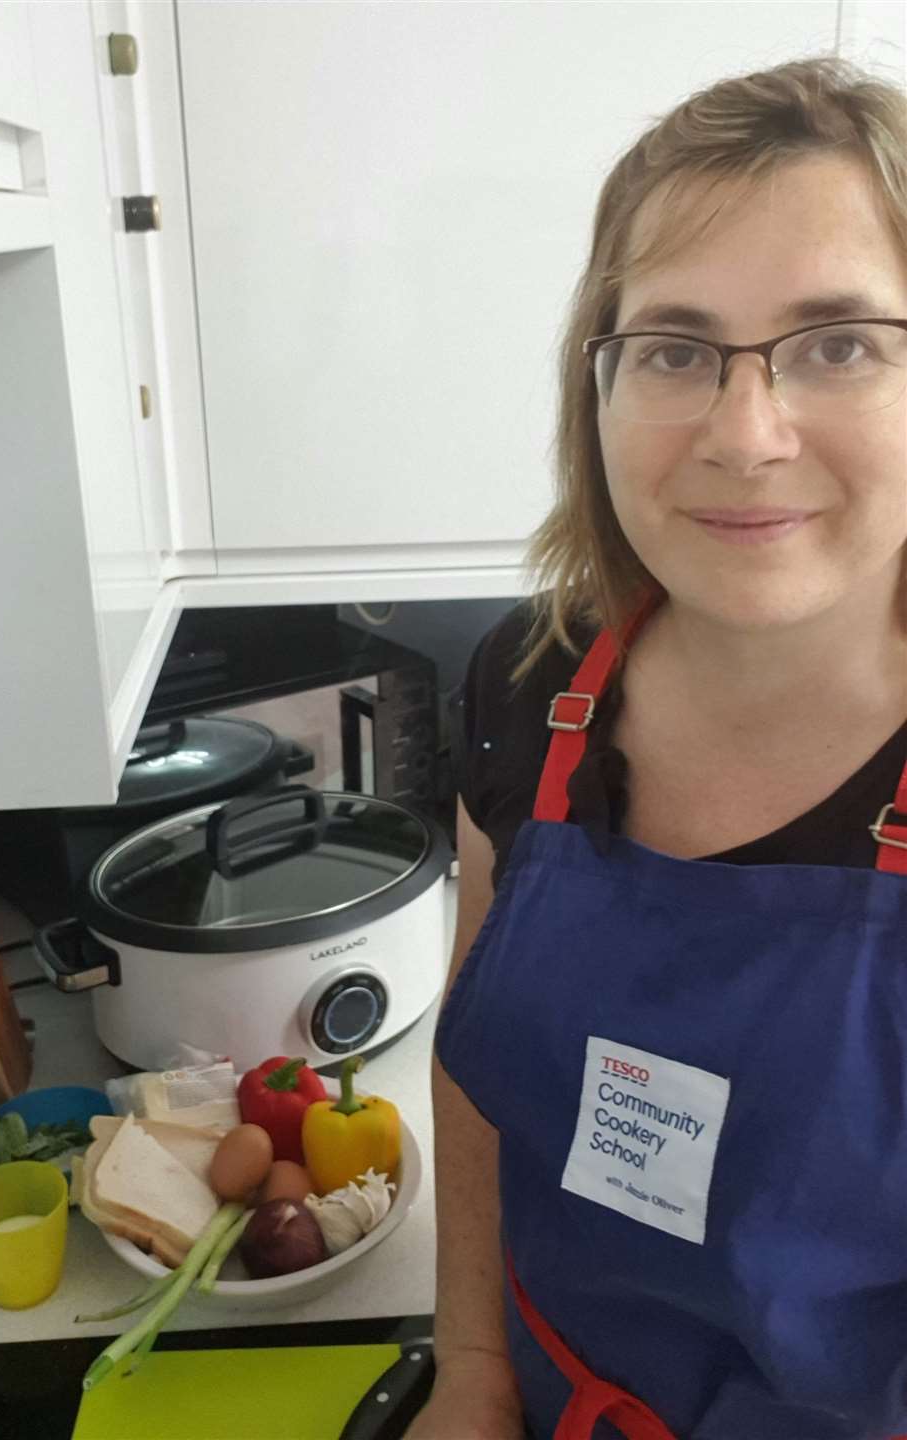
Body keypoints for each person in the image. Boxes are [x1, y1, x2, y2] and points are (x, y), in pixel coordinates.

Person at [407, 55, 907, 1440]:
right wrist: (474, 1372)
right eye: (678, 348)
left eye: (840, 342)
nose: (746, 436)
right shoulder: (532, 684)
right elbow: (477, 1076)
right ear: (603, 388)